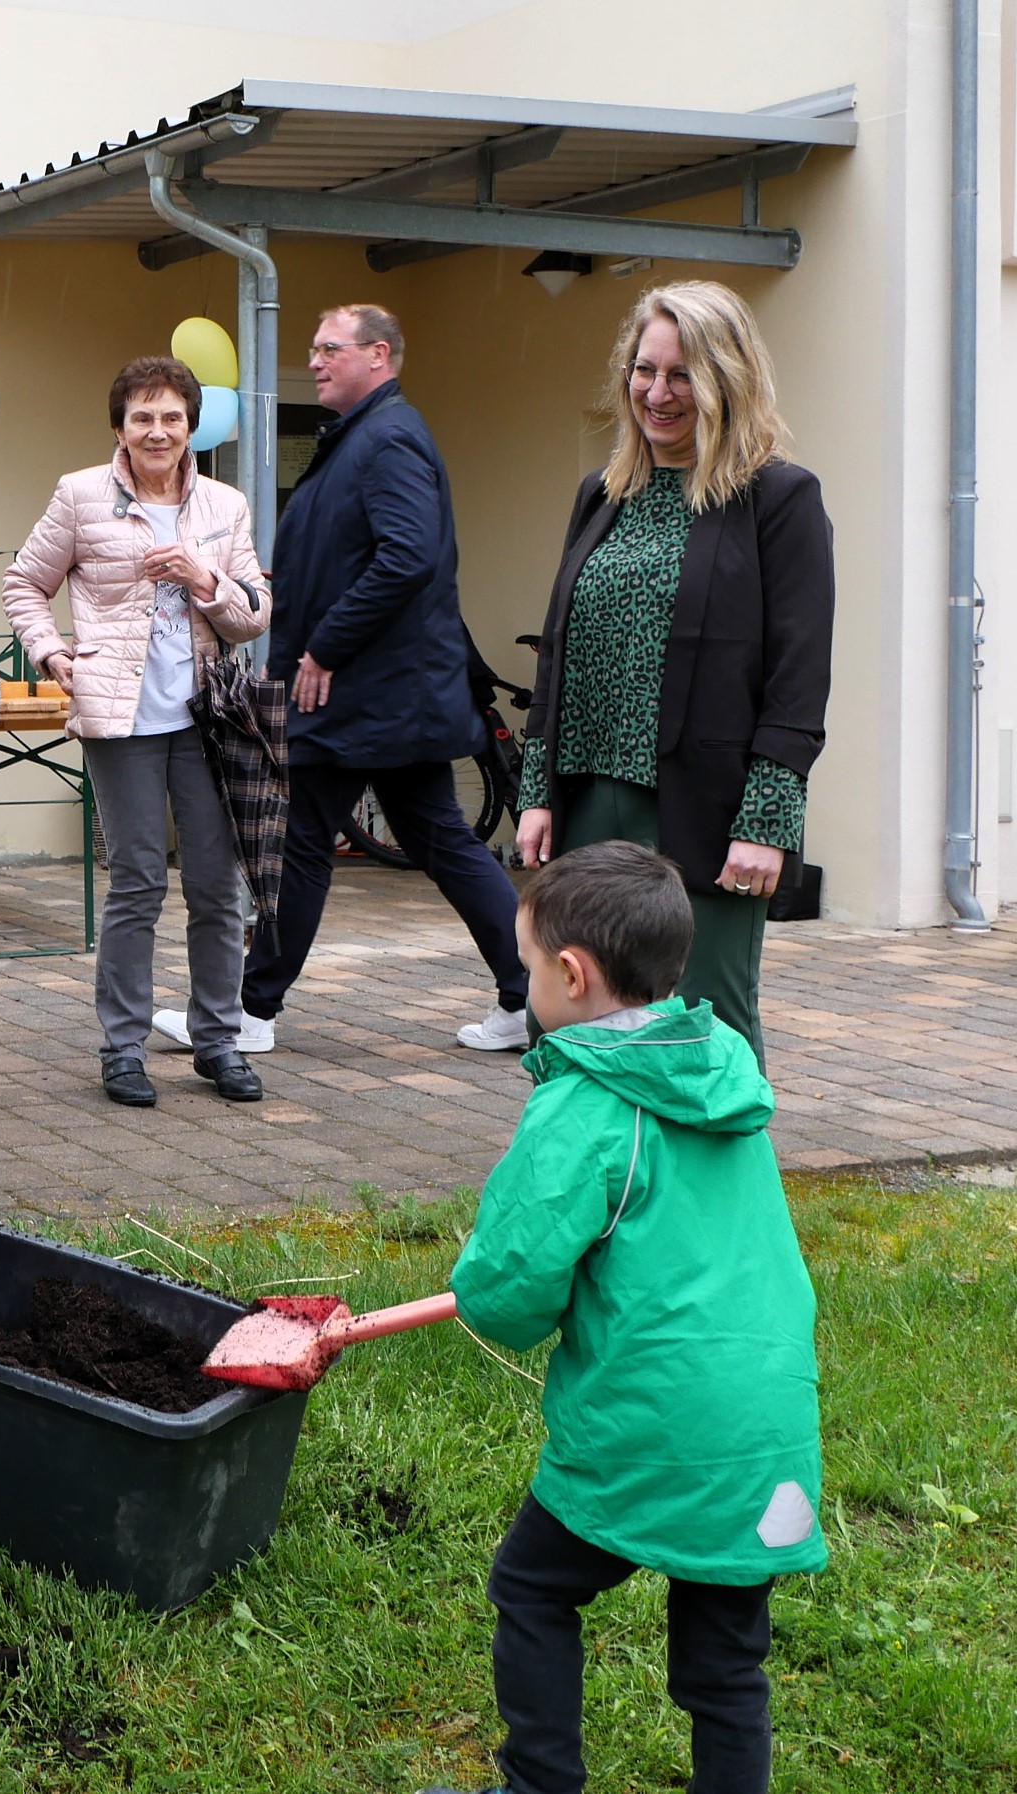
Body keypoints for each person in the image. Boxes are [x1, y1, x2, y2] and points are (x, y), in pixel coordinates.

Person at [429, 840, 824, 1794]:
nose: (526, 986)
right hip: (765, 1428)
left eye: (527, 967)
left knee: (533, 1588)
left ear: (571, 975)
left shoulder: (582, 1105)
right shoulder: (722, 1072)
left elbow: (510, 1284)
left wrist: (500, 1300)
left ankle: (539, 1785)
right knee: (726, 1667)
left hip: (651, 1422)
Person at [513, 282, 834, 1069]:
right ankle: (589, 1151)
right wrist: (536, 791)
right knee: (570, 1016)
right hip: (588, 803)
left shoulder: (778, 498)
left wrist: (767, 821)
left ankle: (723, 1157)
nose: (657, 393)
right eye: (645, 370)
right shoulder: (601, 495)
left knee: (703, 1023)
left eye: (682, 375)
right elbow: (559, 654)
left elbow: (799, 675)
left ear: (727, 379)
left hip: (705, 812)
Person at [231, 304, 529, 1058]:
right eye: (314, 347)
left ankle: (249, 1014)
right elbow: (366, 555)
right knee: (442, 840)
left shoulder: (388, 438)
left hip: (359, 695)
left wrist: (324, 647)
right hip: (387, 698)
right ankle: (527, 994)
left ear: (379, 355)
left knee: (301, 842)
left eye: (329, 347)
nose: (315, 360)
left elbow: (407, 557)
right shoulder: (362, 437)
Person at [2, 354, 270, 1109]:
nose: (158, 431)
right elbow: (24, 582)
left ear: (192, 428)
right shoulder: (81, 494)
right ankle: (122, 1049)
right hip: (119, 720)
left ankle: (218, 1041)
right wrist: (52, 652)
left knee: (217, 886)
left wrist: (203, 579)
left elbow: (255, 611)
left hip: (206, 718)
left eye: (172, 418)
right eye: (142, 417)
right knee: (139, 881)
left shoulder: (225, 505)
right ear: (119, 427)